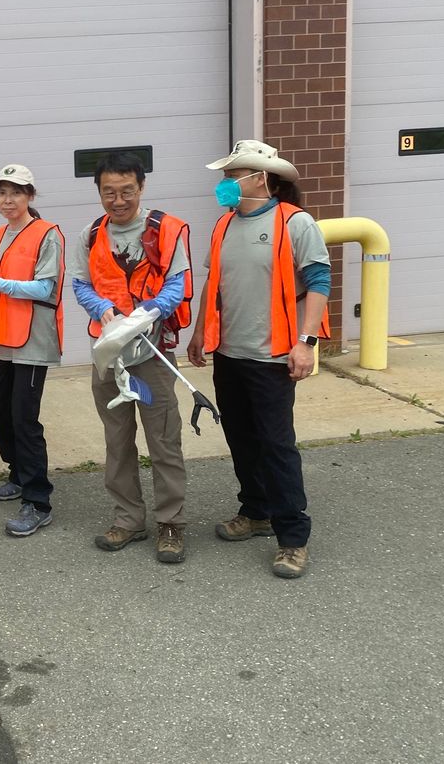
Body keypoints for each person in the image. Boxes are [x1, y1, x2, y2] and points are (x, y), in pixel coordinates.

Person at [187, 140, 331, 580]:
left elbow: (319, 279)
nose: (225, 183)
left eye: (234, 175)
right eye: (226, 176)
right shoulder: (222, 226)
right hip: (229, 352)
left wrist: (305, 342)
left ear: (261, 178)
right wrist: (198, 335)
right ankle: (255, 512)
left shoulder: (295, 222)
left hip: (273, 356)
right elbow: (214, 284)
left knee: (276, 445)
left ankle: (293, 537)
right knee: (241, 438)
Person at [71, 152, 193, 563]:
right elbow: (81, 285)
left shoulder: (167, 231)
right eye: (109, 192)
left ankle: (171, 522)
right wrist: (100, 309)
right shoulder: (90, 234)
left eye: (126, 191)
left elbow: (177, 285)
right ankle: (128, 519)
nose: (118, 200)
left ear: (141, 188)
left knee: (163, 439)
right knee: (117, 440)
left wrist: (146, 314)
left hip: (152, 353)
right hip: (108, 354)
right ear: (100, 193)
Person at [0, 165, 65, 537]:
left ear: (30, 196)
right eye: (2, 192)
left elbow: (44, 289)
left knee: (24, 419)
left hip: (34, 342)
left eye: (17, 192)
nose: (8, 199)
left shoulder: (47, 235)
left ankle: (38, 501)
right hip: (2, 339)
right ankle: (19, 474)